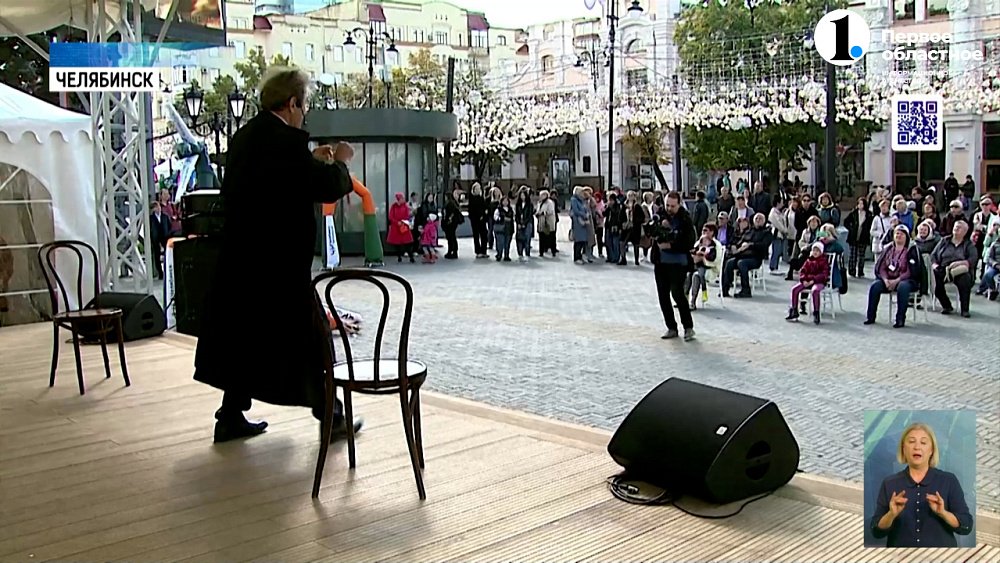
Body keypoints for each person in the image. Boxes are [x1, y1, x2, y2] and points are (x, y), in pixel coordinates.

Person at [194, 67, 362, 443]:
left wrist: (310, 158)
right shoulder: (283, 144)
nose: (304, 114)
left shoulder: (246, 138)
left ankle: (231, 418)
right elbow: (326, 187)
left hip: (240, 263)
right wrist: (340, 162)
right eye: (304, 106)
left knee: (244, 341)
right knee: (313, 341)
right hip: (279, 270)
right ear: (291, 104)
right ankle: (331, 417)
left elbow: (288, 178)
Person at [870, 422, 974, 548]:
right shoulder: (890, 483)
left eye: (923, 443)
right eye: (912, 442)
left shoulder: (948, 480)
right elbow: (876, 531)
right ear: (904, 448)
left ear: (931, 450)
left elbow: (966, 526)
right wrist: (891, 514)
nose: (917, 447)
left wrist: (943, 513)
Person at [652, 192, 697, 341]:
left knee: (677, 294)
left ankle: (688, 327)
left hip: (678, 262)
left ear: (679, 204)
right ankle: (671, 327)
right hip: (661, 262)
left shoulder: (685, 218)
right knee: (663, 296)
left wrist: (671, 244)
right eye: (667, 205)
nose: (669, 208)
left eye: (673, 206)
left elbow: (690, 241)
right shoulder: (659, 215)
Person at [864, 225, 923, 328]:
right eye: (896, 233)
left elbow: (910, 271)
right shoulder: (888, 249)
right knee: (875, 286)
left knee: (903, 287)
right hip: (888, 279)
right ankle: (871, 317)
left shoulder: (911, 249)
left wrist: (896, 280)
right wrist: (886, 280)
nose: (898, 235)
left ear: (906, 236)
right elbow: (881, 267)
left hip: (905, 280)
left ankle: (900, 319)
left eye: (901, 233)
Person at [931, 220, 977, 317]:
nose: (956, 229)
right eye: (955, 227)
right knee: (934, 280)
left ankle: (965, 309)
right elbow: (933, 255)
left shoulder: (968, 244)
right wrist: (935, 265)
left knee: (965, 280)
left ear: (964, 232)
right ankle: (946, 305)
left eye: (959, 228)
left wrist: (962, 262)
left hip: (959, 270)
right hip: (943, 268)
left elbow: (973, 259)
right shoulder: (944, 241)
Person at [785, 241, 829, 325]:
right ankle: (794, 310)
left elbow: (824, 274)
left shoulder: (823, 261)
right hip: (807, 280)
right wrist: (803, 279)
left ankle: (816, 313)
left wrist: (813, 280)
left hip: (818, 281)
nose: (815, 253)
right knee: (795, 289)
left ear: (821, 252)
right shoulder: (808, 260)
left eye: (817, 251)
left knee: (815, 291)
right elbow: (803, 271)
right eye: (814, 250)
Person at [468, 183, 489, 258]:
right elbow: (471, 210)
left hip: (482, 220)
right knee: (476, 236)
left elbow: (485, 208)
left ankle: (484, 250)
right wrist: (477, 217)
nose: (478, 190)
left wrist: (484, 215)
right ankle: (478, 251)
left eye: (479, 188)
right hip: (475, 221)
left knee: (484, 235)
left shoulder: (481, 198)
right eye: (476, 189)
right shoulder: (472, 198)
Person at [442, 189, 463, 259]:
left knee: (450, 237)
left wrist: (448, 220)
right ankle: (454, 251)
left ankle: (451, 251)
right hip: (453, 223)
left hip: (450, 223)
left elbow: (450, 214)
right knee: (452, 237)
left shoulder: (449, 203)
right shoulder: (453, 203)